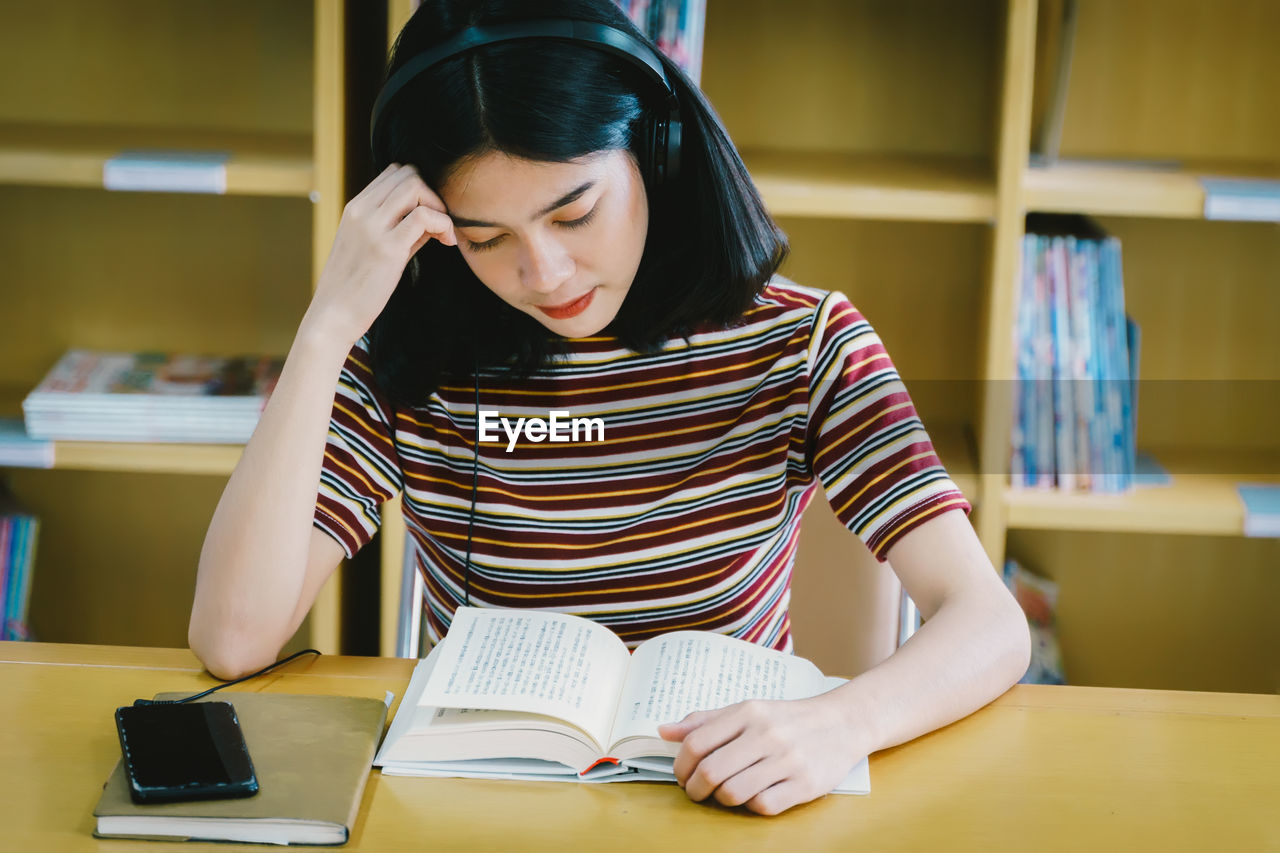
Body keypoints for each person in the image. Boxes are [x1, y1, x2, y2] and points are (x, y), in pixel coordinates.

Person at [189, 0, 1030, 816]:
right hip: (479, 810)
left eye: (576, 211)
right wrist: (329, 324)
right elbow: (233, 639)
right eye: (486, 239)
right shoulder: (410, 367)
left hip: (724, 800)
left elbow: (991, 625)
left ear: (655, 152)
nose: (545, 273)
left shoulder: (804, 343)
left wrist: (845, 720)